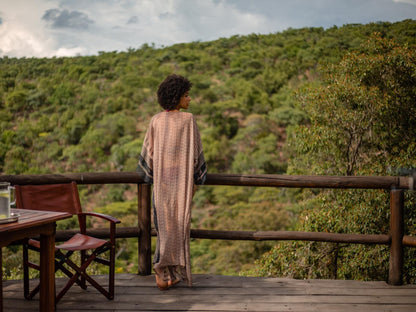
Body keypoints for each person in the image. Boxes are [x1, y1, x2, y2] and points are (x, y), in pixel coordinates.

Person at [137, 74, 207, 290]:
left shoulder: (156, 120)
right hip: (182, 186)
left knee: (164, 229)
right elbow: (196, 154)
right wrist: (197, 178)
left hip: (162, 185)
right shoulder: (188, 119)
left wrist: (149, 176)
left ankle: (167, 273)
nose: (190, 99)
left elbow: (148, 155)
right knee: (179, 227)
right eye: (186, 95)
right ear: (177, 97)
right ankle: (162, 273)